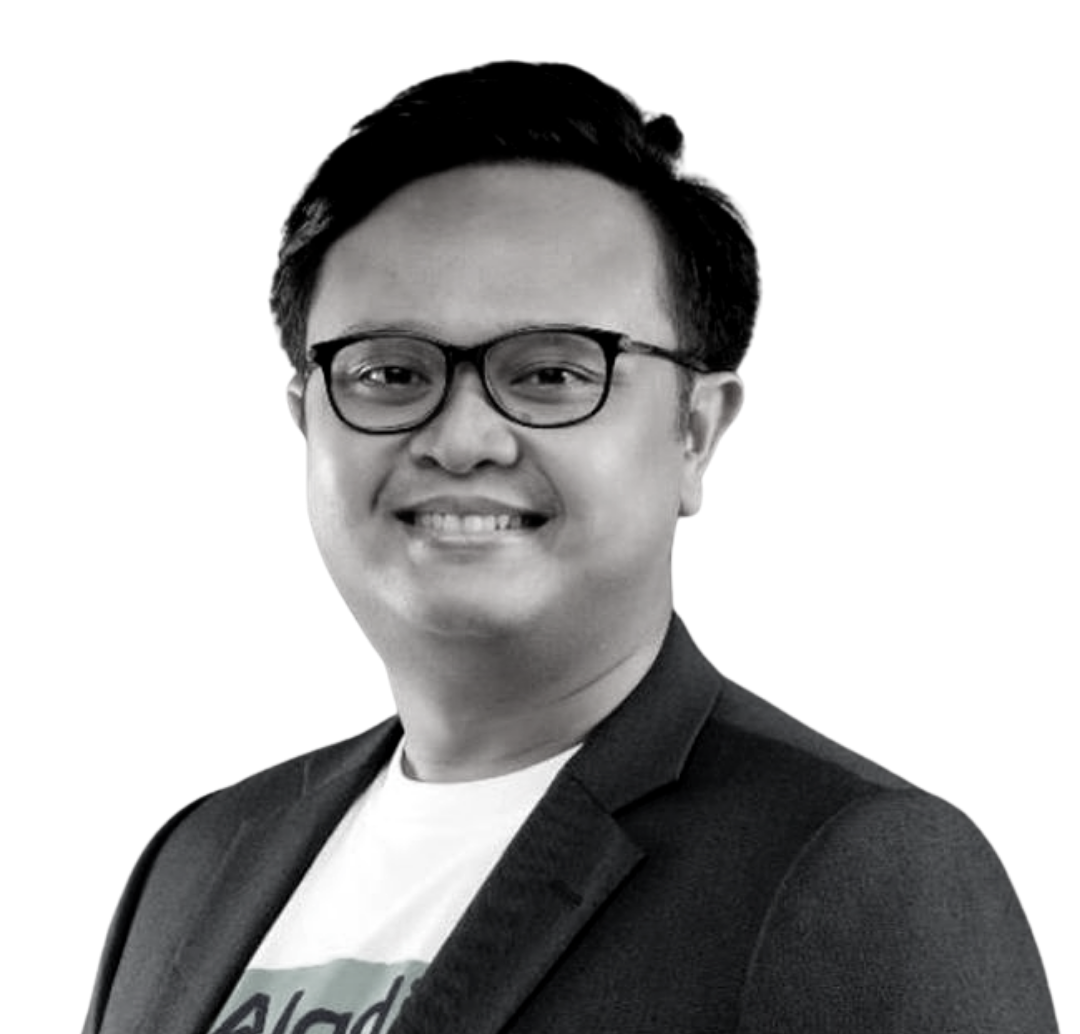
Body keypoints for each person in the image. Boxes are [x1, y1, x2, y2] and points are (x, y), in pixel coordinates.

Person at [82, 61, 1059, 1034]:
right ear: (309, 419)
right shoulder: (199, 860)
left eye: (550, 374)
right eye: (389, 373)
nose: (462, 439)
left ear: (694, 433)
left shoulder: (857, 874)